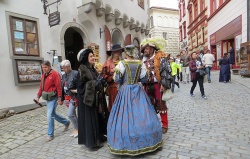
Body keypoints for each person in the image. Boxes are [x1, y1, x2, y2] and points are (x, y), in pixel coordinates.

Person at [107, 45, 163, 156]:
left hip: (125, 91)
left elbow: (117, 79)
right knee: (142, 114)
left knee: (125, 115)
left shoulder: (122, 64)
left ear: (126, 53)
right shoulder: (140, 63)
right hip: (138, 91)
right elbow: (145, 78)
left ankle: (126, 142)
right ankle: (146, 141)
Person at [77, 49, 109, 149]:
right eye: (91, 56)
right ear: (86, 58)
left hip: (97, 99)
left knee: (99, 117)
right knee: (91, 120)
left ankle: (99, 136)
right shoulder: (82, 70)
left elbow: (96, 80)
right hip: (88, 101)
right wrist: (95, 83)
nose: (93, 58)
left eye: (93, 56)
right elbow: (80, 87)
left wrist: (102, 81)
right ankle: (92, 142)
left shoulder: (93, 69)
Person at [36, 60, 70, 142]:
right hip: (47, 98)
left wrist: (59, 98)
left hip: (54, 97)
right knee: (53, 114)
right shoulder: (44, 75)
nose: (44, 69)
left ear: (49, 67)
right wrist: (38, 96)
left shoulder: (55, 74)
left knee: (49, 115)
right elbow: (41, 87)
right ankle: (66, 122)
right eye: (43, 67)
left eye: (45, 67)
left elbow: (59, 87)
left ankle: (50, 134)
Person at [141, 37, 169, 134]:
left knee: (161, 104)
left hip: (158, 84)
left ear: (152, 49)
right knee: (149, 105)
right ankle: (152, 123)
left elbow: (165, 71)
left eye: (147, 48)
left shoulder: (160, 56)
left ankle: (164, 124)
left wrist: (164, 84)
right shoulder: (143, 60)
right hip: (146, 85)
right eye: (144, 49)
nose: (145, 50)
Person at [102, 44, 123, 112]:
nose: (118, 53)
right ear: (113, 52)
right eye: (117, 51)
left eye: (119, 51)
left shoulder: (123, 62)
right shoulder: (107, 63)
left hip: (123, 89)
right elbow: (103, 76)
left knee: (122, 107)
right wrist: (112, 76)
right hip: (113, 89)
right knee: (113, 107)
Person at [60, 60, 78, 138]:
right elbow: (62, 87)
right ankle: (78, 128)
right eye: (62, 68)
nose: (64, 70)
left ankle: (78, 128)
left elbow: (80, 85)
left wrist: (76, 90)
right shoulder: (64, 75)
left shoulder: (76, 73)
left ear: (69, 66)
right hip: (67, 97)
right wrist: (61, 98)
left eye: (65, 68)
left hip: (74, 97)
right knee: (73, 114)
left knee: (70, 114)